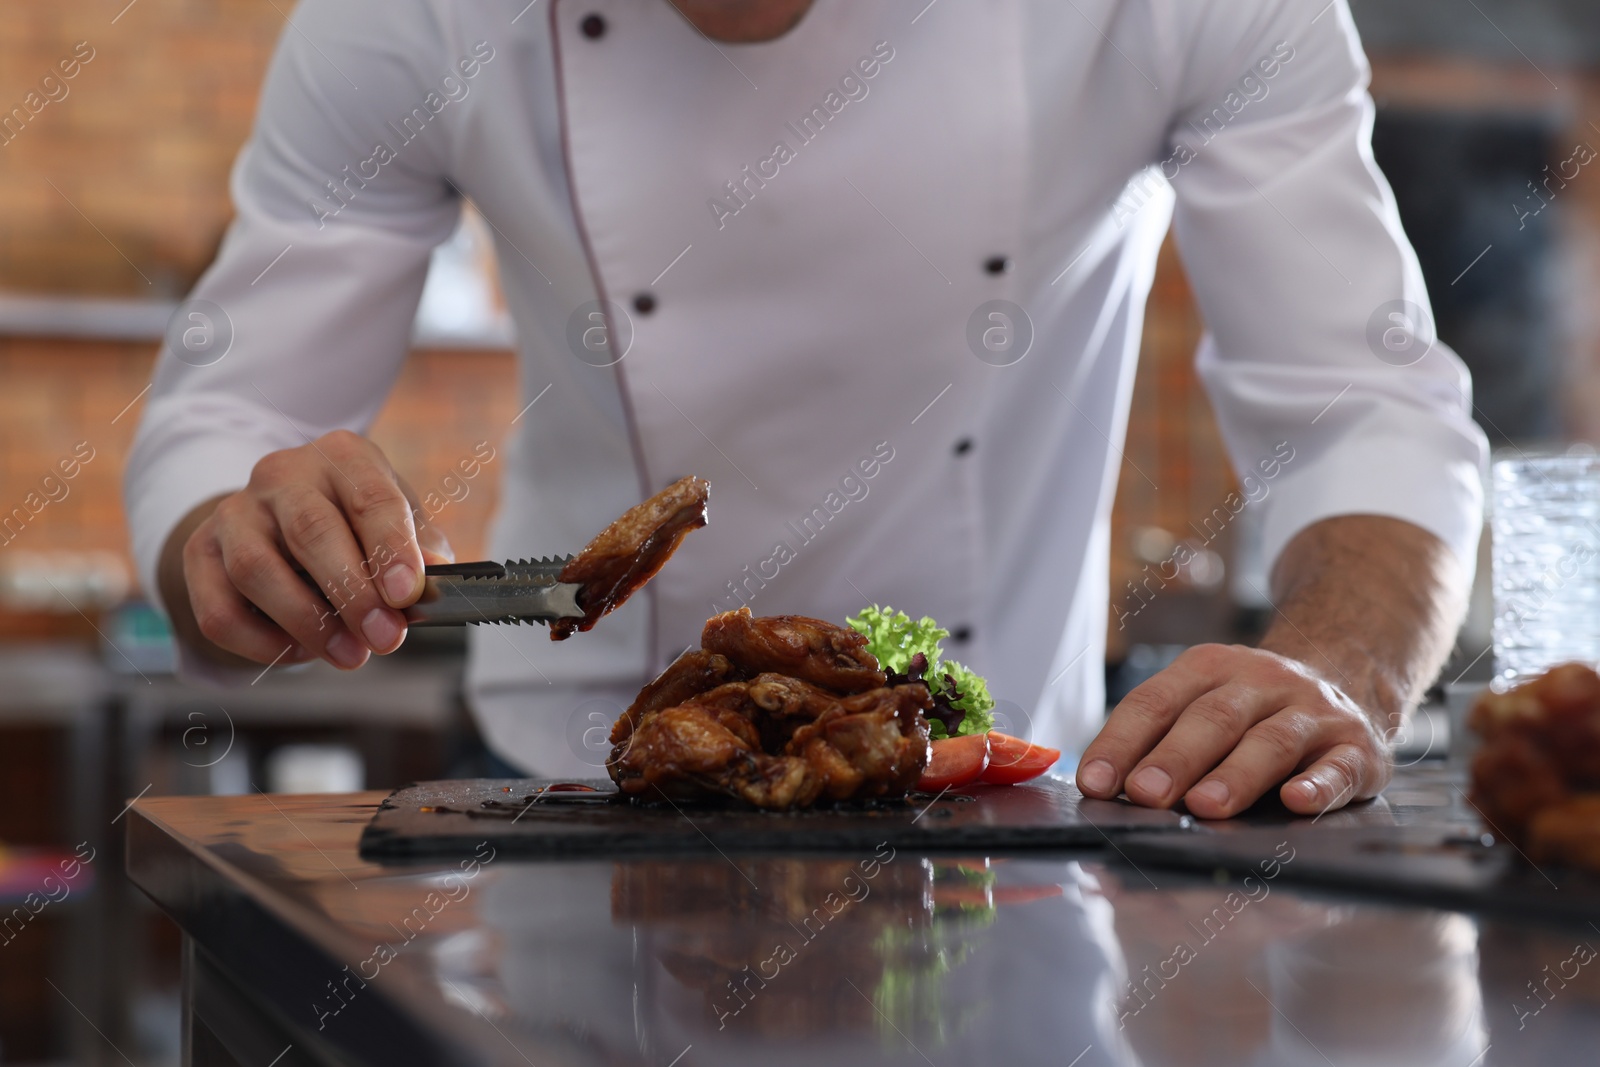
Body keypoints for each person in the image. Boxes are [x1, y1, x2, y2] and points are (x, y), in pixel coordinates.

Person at [123, 0, 1487, 818]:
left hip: (1005, 790)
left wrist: (1339, 669)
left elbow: (1360, 395)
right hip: (560, 790)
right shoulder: (403, 18)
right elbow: (229, 406)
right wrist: (240, 540)